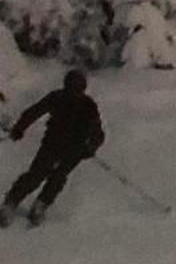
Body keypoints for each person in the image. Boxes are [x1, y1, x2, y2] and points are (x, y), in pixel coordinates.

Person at [2, 70, 104, 227]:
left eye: (77, 88)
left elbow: (98, 132)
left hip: (74, 151)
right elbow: (35, 111)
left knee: (57, 179)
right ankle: (11, 202)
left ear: (83, 88)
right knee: (36, 175)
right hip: (51, 145)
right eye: (71, 87)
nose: (74, 91)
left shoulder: (89, 106)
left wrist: (91, 147)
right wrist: (20, 128)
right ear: (66, 86)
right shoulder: (57, 98)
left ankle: (41, 205)